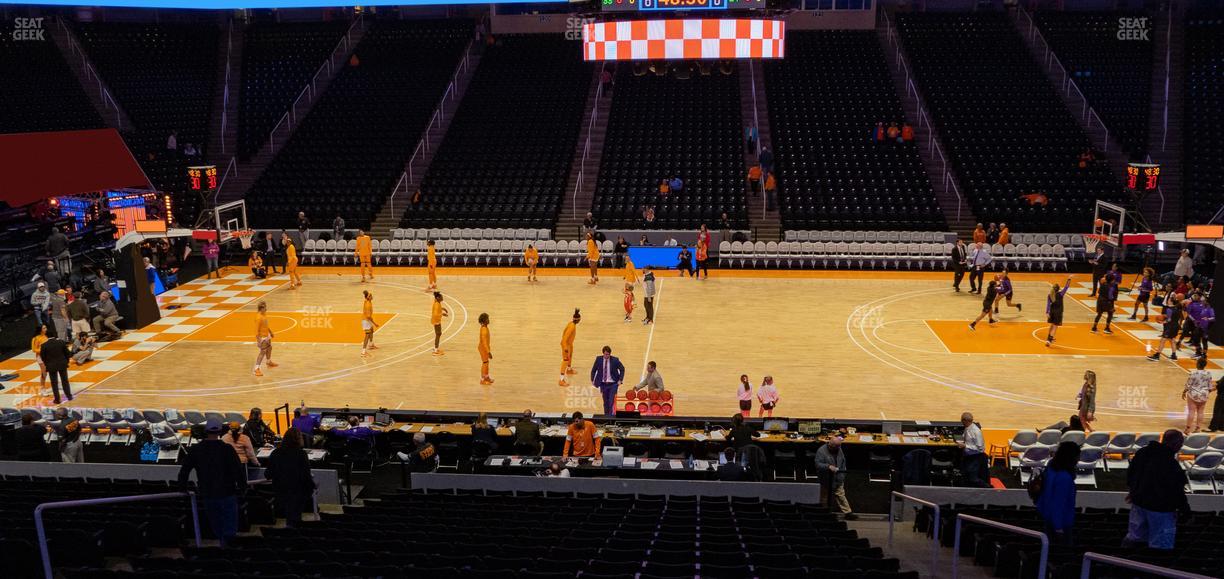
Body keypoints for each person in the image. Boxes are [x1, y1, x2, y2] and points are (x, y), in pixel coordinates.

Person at [178, 419, 245, 547]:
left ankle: (223, 546)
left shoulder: (196, 449)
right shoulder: (227, 449)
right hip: (227, 492)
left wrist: (182, 488)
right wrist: (243, 488)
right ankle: (227, 550)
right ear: (220, 431)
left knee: (217, 526)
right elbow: (238, 470)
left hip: (208, 493)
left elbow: (184, 471)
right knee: (229, 527)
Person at [1123, 430, 1189, 550]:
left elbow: (1131, 474)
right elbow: (1177, 491)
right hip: (1161, 510)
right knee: (1160, 545)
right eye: (1180, 444)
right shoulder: (1171, 464)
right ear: (1176, 444)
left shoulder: (1143, 453)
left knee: (1134, 539)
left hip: (1139, 503)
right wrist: (1186, 511)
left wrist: (1133, 491)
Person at [264, 427, 315, 527]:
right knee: (295, 518)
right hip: (297, 492)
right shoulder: (301, 454)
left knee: (290, 517)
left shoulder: (276, 452)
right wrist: (312, 487)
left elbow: (268, 474)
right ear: (297, 439)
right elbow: (305, 474)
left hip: (281, 492)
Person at [1036, 441, 1079, 546]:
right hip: (1060, 524)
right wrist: (1058, 528)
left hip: (1047, 517)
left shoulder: (1051, 470)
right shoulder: (1064, 478)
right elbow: (1058, 504)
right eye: (1077, 456)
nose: (1078, 460)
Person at [814, 437, 855, 520]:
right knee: (824, 497)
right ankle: (824, 512)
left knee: (840, 495)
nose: (838, 448)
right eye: (836, 447)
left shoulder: (838, 449)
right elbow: (818, 464)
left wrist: (843, 474)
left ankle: (848, 512)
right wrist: (828, 466)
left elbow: (843, 461)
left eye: (839, 447)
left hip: (838, 477)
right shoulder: (821, 451)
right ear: (831, 445)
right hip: (825, 478)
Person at [1148, 293, 1186, 361]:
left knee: (1162, 340)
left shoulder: (1169, 309)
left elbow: (1169, 320)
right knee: (1172, 340)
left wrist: (1162, 322)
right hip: (1176, 326)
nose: (1167, 301)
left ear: (1170, 301)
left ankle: (1157, 355)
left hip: (1170, 326)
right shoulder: (1178, 308)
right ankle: (1174, 356)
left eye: (1168, 300)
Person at [590, 346, 625, 416]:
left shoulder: (615, 360)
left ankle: (610, 417)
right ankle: (606, 416)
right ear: (603, 353)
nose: (607, 356)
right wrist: (592, 380)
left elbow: (622, 369)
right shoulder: (598, 359)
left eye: (608, 354)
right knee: (605, 402)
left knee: (611, 401)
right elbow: (593, 370)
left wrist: (620, 380)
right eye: (605, 354)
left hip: (613, 384)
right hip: (603, 384)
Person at [957, 412, 989, 487]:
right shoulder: (968, 427)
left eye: (962, 420)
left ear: (965, 420)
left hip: (975, 458)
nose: (961, 422)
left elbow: (980, 448)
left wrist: (965, 446)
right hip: (968, 456)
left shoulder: (976, 431)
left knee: (973, 478)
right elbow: (967, 437)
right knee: (966, 475)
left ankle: (988, 487)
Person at [1183, 357, 1214, 434]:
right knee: (1201, 412)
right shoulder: (1208, 373)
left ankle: (1188, 429)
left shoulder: (1193, 373)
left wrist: (1184, 392)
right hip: (1204, 394)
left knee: (1191, 412)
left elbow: (1188, 385)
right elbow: (1210, 386)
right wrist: (1206, 393)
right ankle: (1198, 429)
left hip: (1193, 394)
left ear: (1198, 364)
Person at [40, 332, 72, 403]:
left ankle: (57, 399)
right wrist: (66, 361)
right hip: (62, 364)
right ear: (54, 335)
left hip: (51, 366)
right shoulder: (61, 342)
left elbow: (43, 358)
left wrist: (47, 364)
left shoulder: (44, 345)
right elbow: (68, 353)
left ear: (46, 336)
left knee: (54, 383)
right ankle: (69, 396)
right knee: (65, 381)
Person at [1045, 275, 1073, 346]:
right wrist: (1069, 279)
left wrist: (1047, 312)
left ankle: (1049, 337)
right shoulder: (1061, 294)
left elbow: (1048, 304)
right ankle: (1049, 340)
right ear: (1058, 289)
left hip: (1052, 312)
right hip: (1058, 313)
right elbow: (1066, 287)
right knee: (1055, 327)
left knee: (1052, 325)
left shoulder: (1049, 295)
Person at [1186, 293, 1214, 359]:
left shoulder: (1210, 309)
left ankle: (1204, 355)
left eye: (1203, 301)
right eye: (1202, 301)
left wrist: (1207, 319)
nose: (1202, 302)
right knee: (1196, 340)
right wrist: (1195, 320)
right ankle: (1198, 353)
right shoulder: (1201, 307)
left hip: (1205, 328)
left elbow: (1213, 318)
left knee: (1204, 341)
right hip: (1199, 326)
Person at [253, 301, 277, 376]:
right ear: (261, 309)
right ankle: (256, 369)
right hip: (262, 337)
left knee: (269, 348)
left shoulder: (264, 314)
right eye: (265, 308)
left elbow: (266, 325)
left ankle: (268, 362)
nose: (266, 309)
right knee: (262, 352)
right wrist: (258, 340)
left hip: (267, 335)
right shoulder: (258, 318)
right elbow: (256, 330)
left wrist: (271, 332)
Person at [559, 309, 580, 386]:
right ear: (579, 320)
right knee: (565, 361)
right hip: (566, 346)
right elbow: (564, 339)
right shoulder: (571, 327)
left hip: (569, 344)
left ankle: (569, 369)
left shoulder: (572, 324)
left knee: (570, 356)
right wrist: (565, 348)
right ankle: (561, 380)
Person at [360, 291, 379, 357]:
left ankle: (371, 345)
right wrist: (375, 323)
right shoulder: (368, 304)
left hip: (367, 320)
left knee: (371, 331)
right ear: (369, 297)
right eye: (371, 295)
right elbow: (368, 316)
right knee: (367, 336)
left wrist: (366, 293)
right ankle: (363, 352)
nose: (372, 296)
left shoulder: (367, 301)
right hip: (366, 321)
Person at [430, 292, 448, 356]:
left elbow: (438, 309)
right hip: (436, 321)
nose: (442, 298)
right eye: (441, 297)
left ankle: (435, 348)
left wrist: (442, 308)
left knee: (438, 334)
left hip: (436, 321)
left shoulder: (437, 302)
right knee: (438, 334)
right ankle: (435, 350)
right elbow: (435, 314)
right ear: (438, 298)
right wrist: (443, 314)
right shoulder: (437, 304)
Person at [478, 312, 493, 385]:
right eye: (487, 319)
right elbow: (484, 343)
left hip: (485, 348)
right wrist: (488, 352)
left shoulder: (485, 327)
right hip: (483, 349)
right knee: (485, 363)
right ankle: (482, 379)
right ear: (484, 321)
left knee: (486, 363)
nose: (488, 320)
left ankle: (486, 377)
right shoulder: (484, 330)